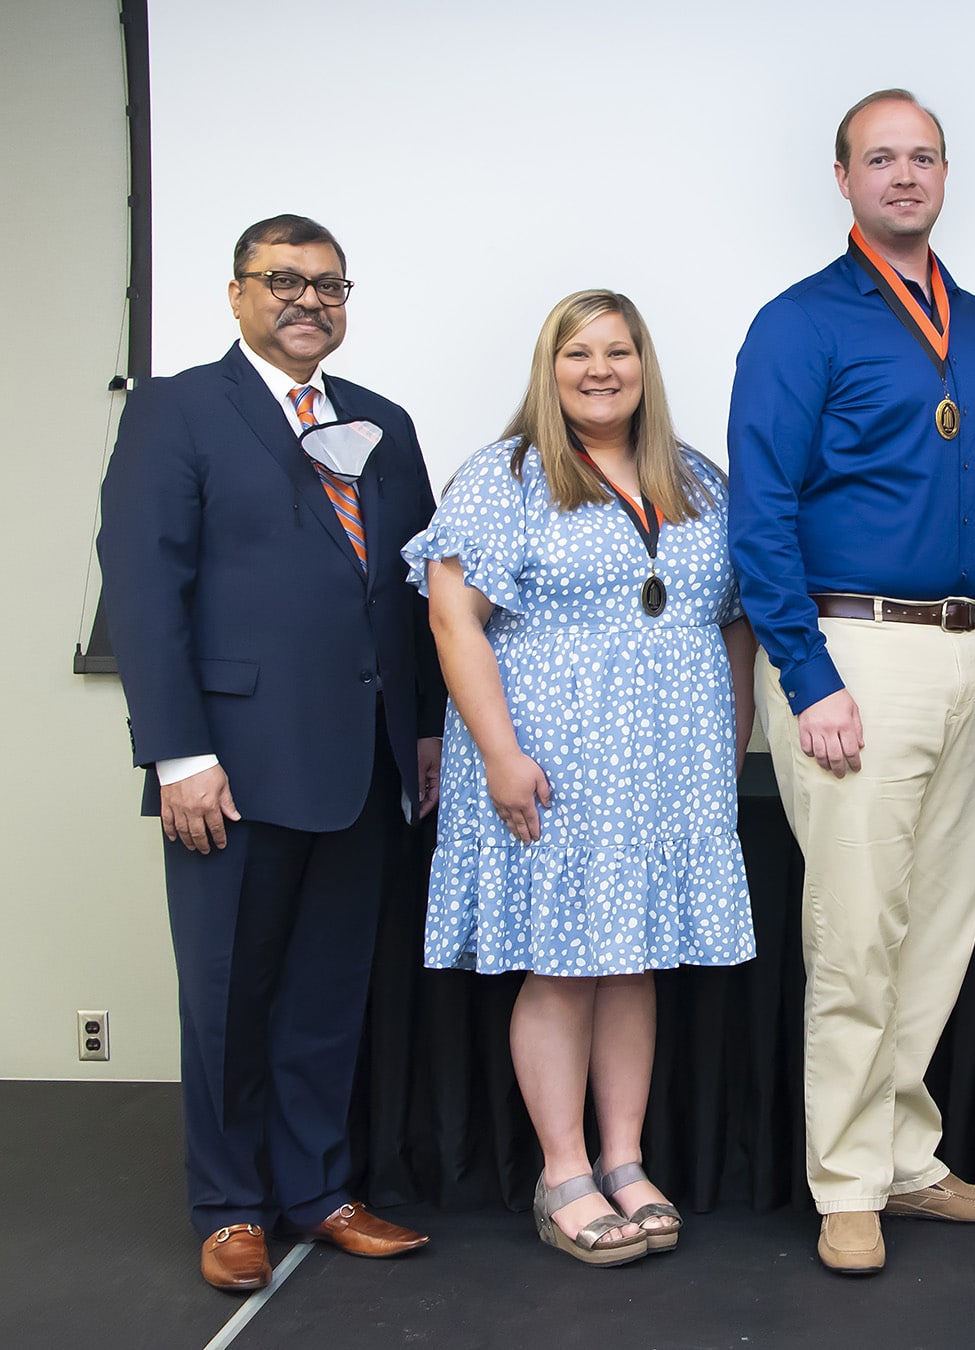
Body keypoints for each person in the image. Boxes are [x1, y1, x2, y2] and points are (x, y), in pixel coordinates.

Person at [98, 215, 441, 1291]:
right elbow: (145, 589)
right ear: (238, 293)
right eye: (283, 280)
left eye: (329, 284)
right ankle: (230, 1207)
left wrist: (424, 728)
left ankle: (320, 1191)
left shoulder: (384, 421)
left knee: (329, 993)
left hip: (365, 761)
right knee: (228, 992)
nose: (308, 300)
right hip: (230, 767)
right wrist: (177, 754)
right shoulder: (176, 411)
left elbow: (412, 590)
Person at [727, 88, 975, 1276]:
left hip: (970, 651)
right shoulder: (802, 322)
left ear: (945, 174)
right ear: (844, 177)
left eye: (924, 158)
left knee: (939, 928)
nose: (904, 176)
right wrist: (806, 677)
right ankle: (845, 1183)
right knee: (857, 933)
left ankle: (907, 1160)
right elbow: (762, 515)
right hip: (853, 650)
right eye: (881, 159)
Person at [405, 289, 755, 1268]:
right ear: (548, 370)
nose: (600, 370)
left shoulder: (697, 481)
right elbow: (452, 618)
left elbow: (729, 618)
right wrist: (503, 755)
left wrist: (733, 735)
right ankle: (564, 1171)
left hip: (667, 769)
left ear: (646, 367)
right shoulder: (505, 477)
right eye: (578, 354)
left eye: (619, 352)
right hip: (549, 764)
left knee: (631, 960)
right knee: (562, 964)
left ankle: (625, 1159)